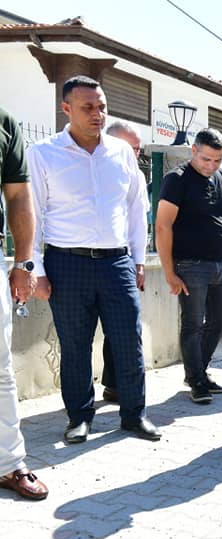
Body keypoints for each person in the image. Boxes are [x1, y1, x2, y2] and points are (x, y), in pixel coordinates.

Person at [27, 75, 159, 444]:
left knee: (128, 339)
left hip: (116, 262)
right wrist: (35, 269)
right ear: (66, 108)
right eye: (88, 107)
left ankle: (134, 416)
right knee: (75, 344)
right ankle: (80, 417)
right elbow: (33, 213)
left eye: (102, 106)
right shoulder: (43, 153)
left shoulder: (120, 153)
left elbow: (137, 208)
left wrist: (137, 260)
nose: (97, 114)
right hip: (66, 264)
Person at [155, 128, 222, 404]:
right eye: (206, 159)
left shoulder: (220, 177)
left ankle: (199, 370)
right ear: (193, 151)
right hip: (189, 265)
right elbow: (163, 226)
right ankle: (196, 379)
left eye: (217, 160)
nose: (211, 166)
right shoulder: (176, 180)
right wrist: (169, 272)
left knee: (220, 320)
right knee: (192, 324)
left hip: (220, 264)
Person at [0, 107, 48, 500]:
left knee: (0, 372)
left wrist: (23, 262)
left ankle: (9, 464)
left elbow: (18, 195)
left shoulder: (4, 122)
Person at [100, 120, 146, 403]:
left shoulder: (136, 175)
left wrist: (139, 262)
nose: (136, 154)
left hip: (123, 260)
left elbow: (139, 220)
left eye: (139, 149)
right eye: (131, 148)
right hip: (82, 261)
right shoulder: (95, 167)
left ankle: (119, 388)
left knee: (124, 328)